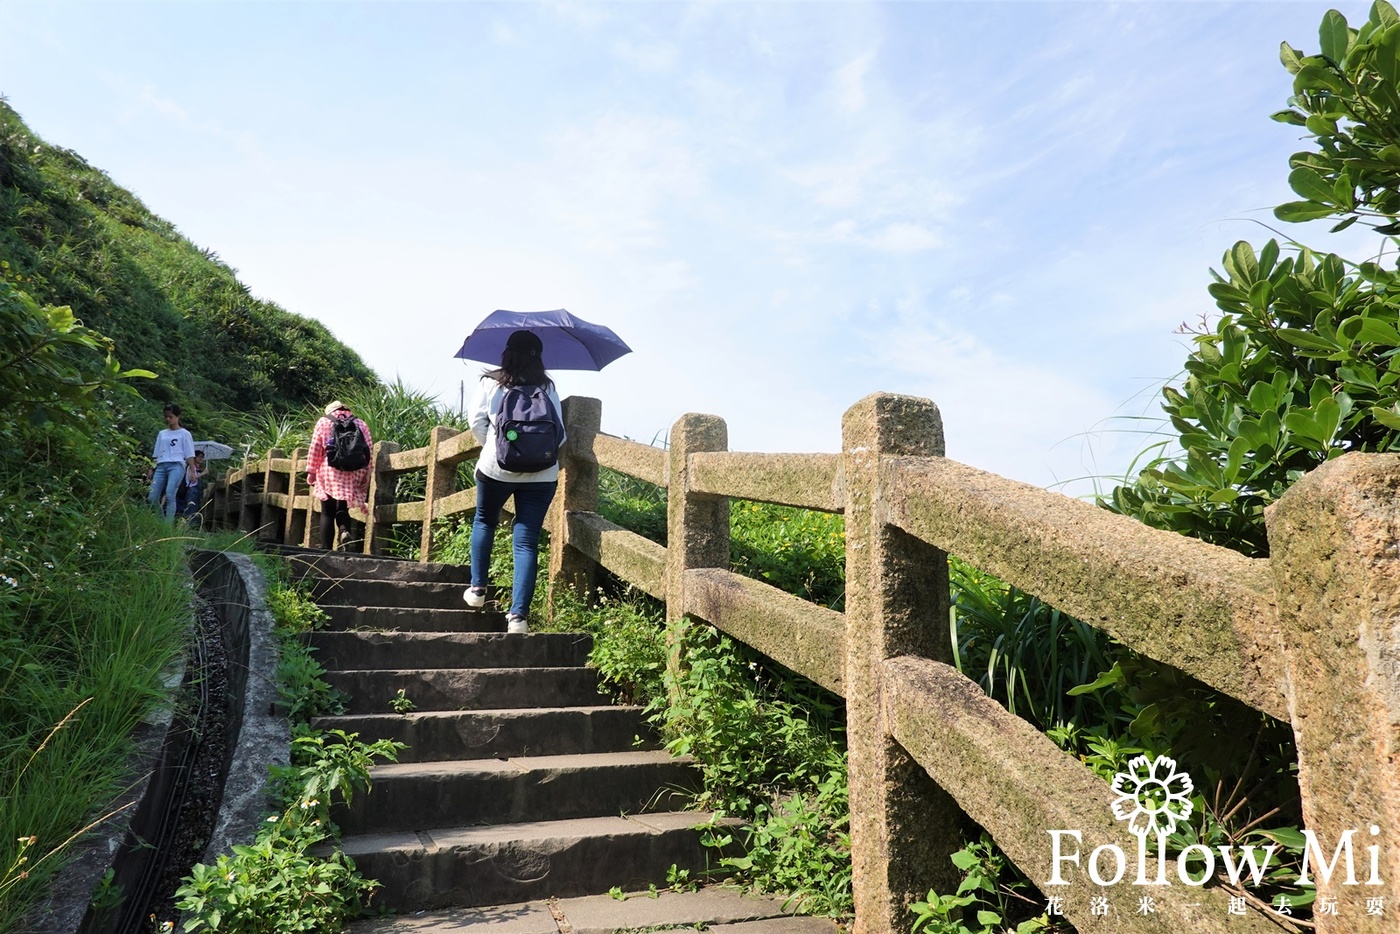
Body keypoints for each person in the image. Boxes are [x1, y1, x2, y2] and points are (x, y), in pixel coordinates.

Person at [464, 329, 565, 634]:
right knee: (526, 541)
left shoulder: (490, 382)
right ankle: (518, 617)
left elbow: (476, 424)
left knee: (484, 521)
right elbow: (561, 434)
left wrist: (498, 449)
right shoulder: (547, 387)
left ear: (506, 353)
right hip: (543, 473)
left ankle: (478, 590)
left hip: (496, 469)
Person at [306, 400, 373, 551]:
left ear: (330, 411)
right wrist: (368, 472)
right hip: (354, 470)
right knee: (342, 506)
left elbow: (316, 448)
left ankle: (326, 550)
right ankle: (344, 530)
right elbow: (368, 449)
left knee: (327, 510)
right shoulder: (360, 423)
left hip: (329, 470)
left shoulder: (324, 422)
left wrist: (311, 471)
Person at [147, 403, 196, 522]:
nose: (168, 419)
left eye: (171, 416)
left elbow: (189, 454)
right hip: (161, 465)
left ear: (177, 417)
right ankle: (161, 520)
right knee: (151, 497)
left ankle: (167, 527)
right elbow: (156, 452)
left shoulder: (184, 434)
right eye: (166, 417)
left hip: (177, 465)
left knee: (170, 494)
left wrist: (192, 471)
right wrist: (151, 468)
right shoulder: (162, 434)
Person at [176, 450, 207, 522]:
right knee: (190, 508)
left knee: (194, 507)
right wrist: (203, 473)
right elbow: (192, 478)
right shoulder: (191, 467)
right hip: (191, 490)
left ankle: (192, 523)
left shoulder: (197, 468)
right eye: (199, 456)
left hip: (196, 490)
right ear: (194, 457)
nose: (201, 458)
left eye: (202, 457)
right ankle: (188, 523)